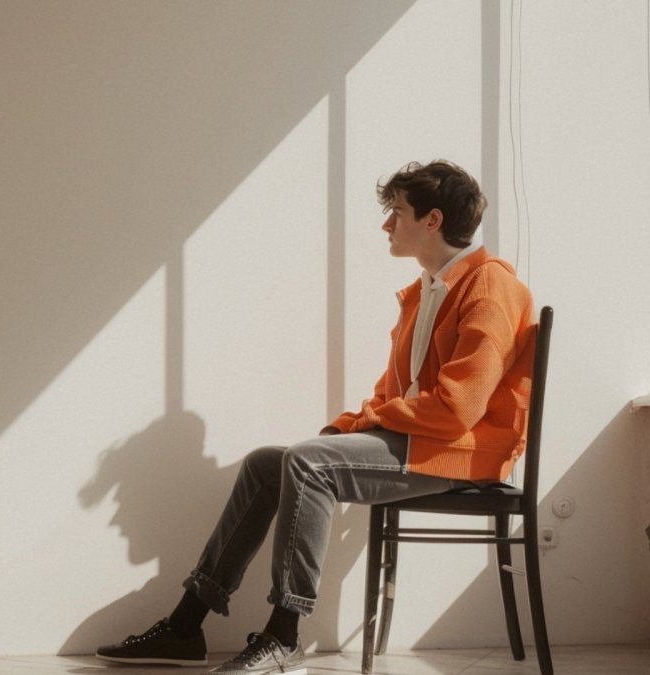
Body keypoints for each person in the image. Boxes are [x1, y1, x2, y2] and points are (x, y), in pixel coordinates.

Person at [94, 160, 535, 674]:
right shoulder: (423, 293)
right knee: (267, 463)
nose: (387, 225)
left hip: (459, 450)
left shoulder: (489, 286)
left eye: (396, 212)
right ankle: (186, 627)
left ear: (432, 220)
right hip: (423, 441)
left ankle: (284, 633)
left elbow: (460, 407)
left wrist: (365, 424)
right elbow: (394, 394)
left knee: (307, 461)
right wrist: (352, 425)